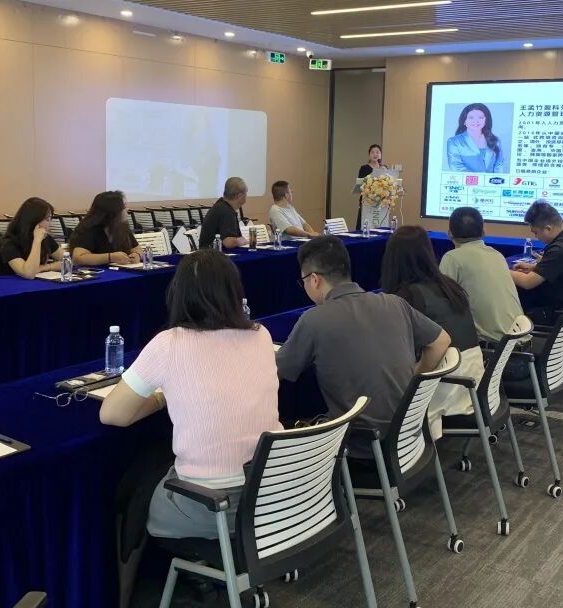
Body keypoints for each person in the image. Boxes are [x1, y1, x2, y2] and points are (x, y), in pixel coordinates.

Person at [99, 249, 281, 539]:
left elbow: (112, 415)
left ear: (178, 293)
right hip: (271, 496)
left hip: (210, 507)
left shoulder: (169, 343)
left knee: (138, 485)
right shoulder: (261, 335)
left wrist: (161, 398)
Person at [276, 236, 451, 454]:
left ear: (314, 279)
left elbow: (276, 372)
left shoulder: (314, 319)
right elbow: (441, 341)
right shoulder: (394, 303)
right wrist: (416, 377)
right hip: (410, 436)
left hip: (363, 444)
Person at [381, 226, 481, 439]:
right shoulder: (450, 286)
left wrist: (416, 375)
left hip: (446, 388)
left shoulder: (406, 297)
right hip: (473, 382)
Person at [439, 207, 523, 345]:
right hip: (518, 342)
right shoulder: (497, 255)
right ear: (484, 231)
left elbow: (439, 303)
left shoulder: (452, 258)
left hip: (492, 348)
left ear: (449, 233)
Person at [0, 197, 64, 278]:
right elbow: (28, 273)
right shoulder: (9, 243)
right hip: (12, 284)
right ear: (34, 221)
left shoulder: (45, 238)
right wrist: (37, 241)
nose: (50, 224)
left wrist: (45, 267)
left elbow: (67, 261)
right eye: (47, 219)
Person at [68, 191, 142, 266]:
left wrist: (137, 255)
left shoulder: (121, 226)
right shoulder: (89, 229)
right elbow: (78, 258)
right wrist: (110, 257)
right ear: (112, 212)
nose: (127, 210)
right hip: (96, 271)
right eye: (124, 207)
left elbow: (137, 248)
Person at [445, 103, 505, 173]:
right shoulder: (454, 142)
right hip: (467, 180)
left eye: (480, 117)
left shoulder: (495, 141)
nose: (476, 121)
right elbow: (457, 167)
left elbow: (499, 165)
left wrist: (495, 179)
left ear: (486, 120)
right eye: (471, 117)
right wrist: (480, 179)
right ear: (464, 121)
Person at [198, 177, 248, 250]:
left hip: (207, 253)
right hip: (213, 255)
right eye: (246, 193)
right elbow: (228, 242)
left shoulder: (221, 206)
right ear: (239, 196)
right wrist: (241, 241)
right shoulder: (226, 211)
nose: (246, 195)